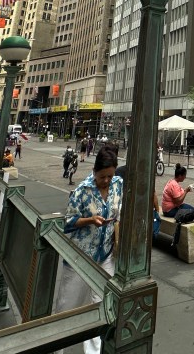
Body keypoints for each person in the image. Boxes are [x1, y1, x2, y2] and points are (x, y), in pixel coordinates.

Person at [55, 145, 122, 354]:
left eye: (110, 176)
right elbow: (67, 222)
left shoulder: (118, 185)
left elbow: (119, 214)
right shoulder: (82, 191)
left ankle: (93, 352)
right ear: (95, 171)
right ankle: (57, 347)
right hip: (80, 258)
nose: (107, 181)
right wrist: (89, 220)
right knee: (68, 306)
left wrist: (117, 239)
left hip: (105, 256)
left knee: (101, 307)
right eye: (103, 176)